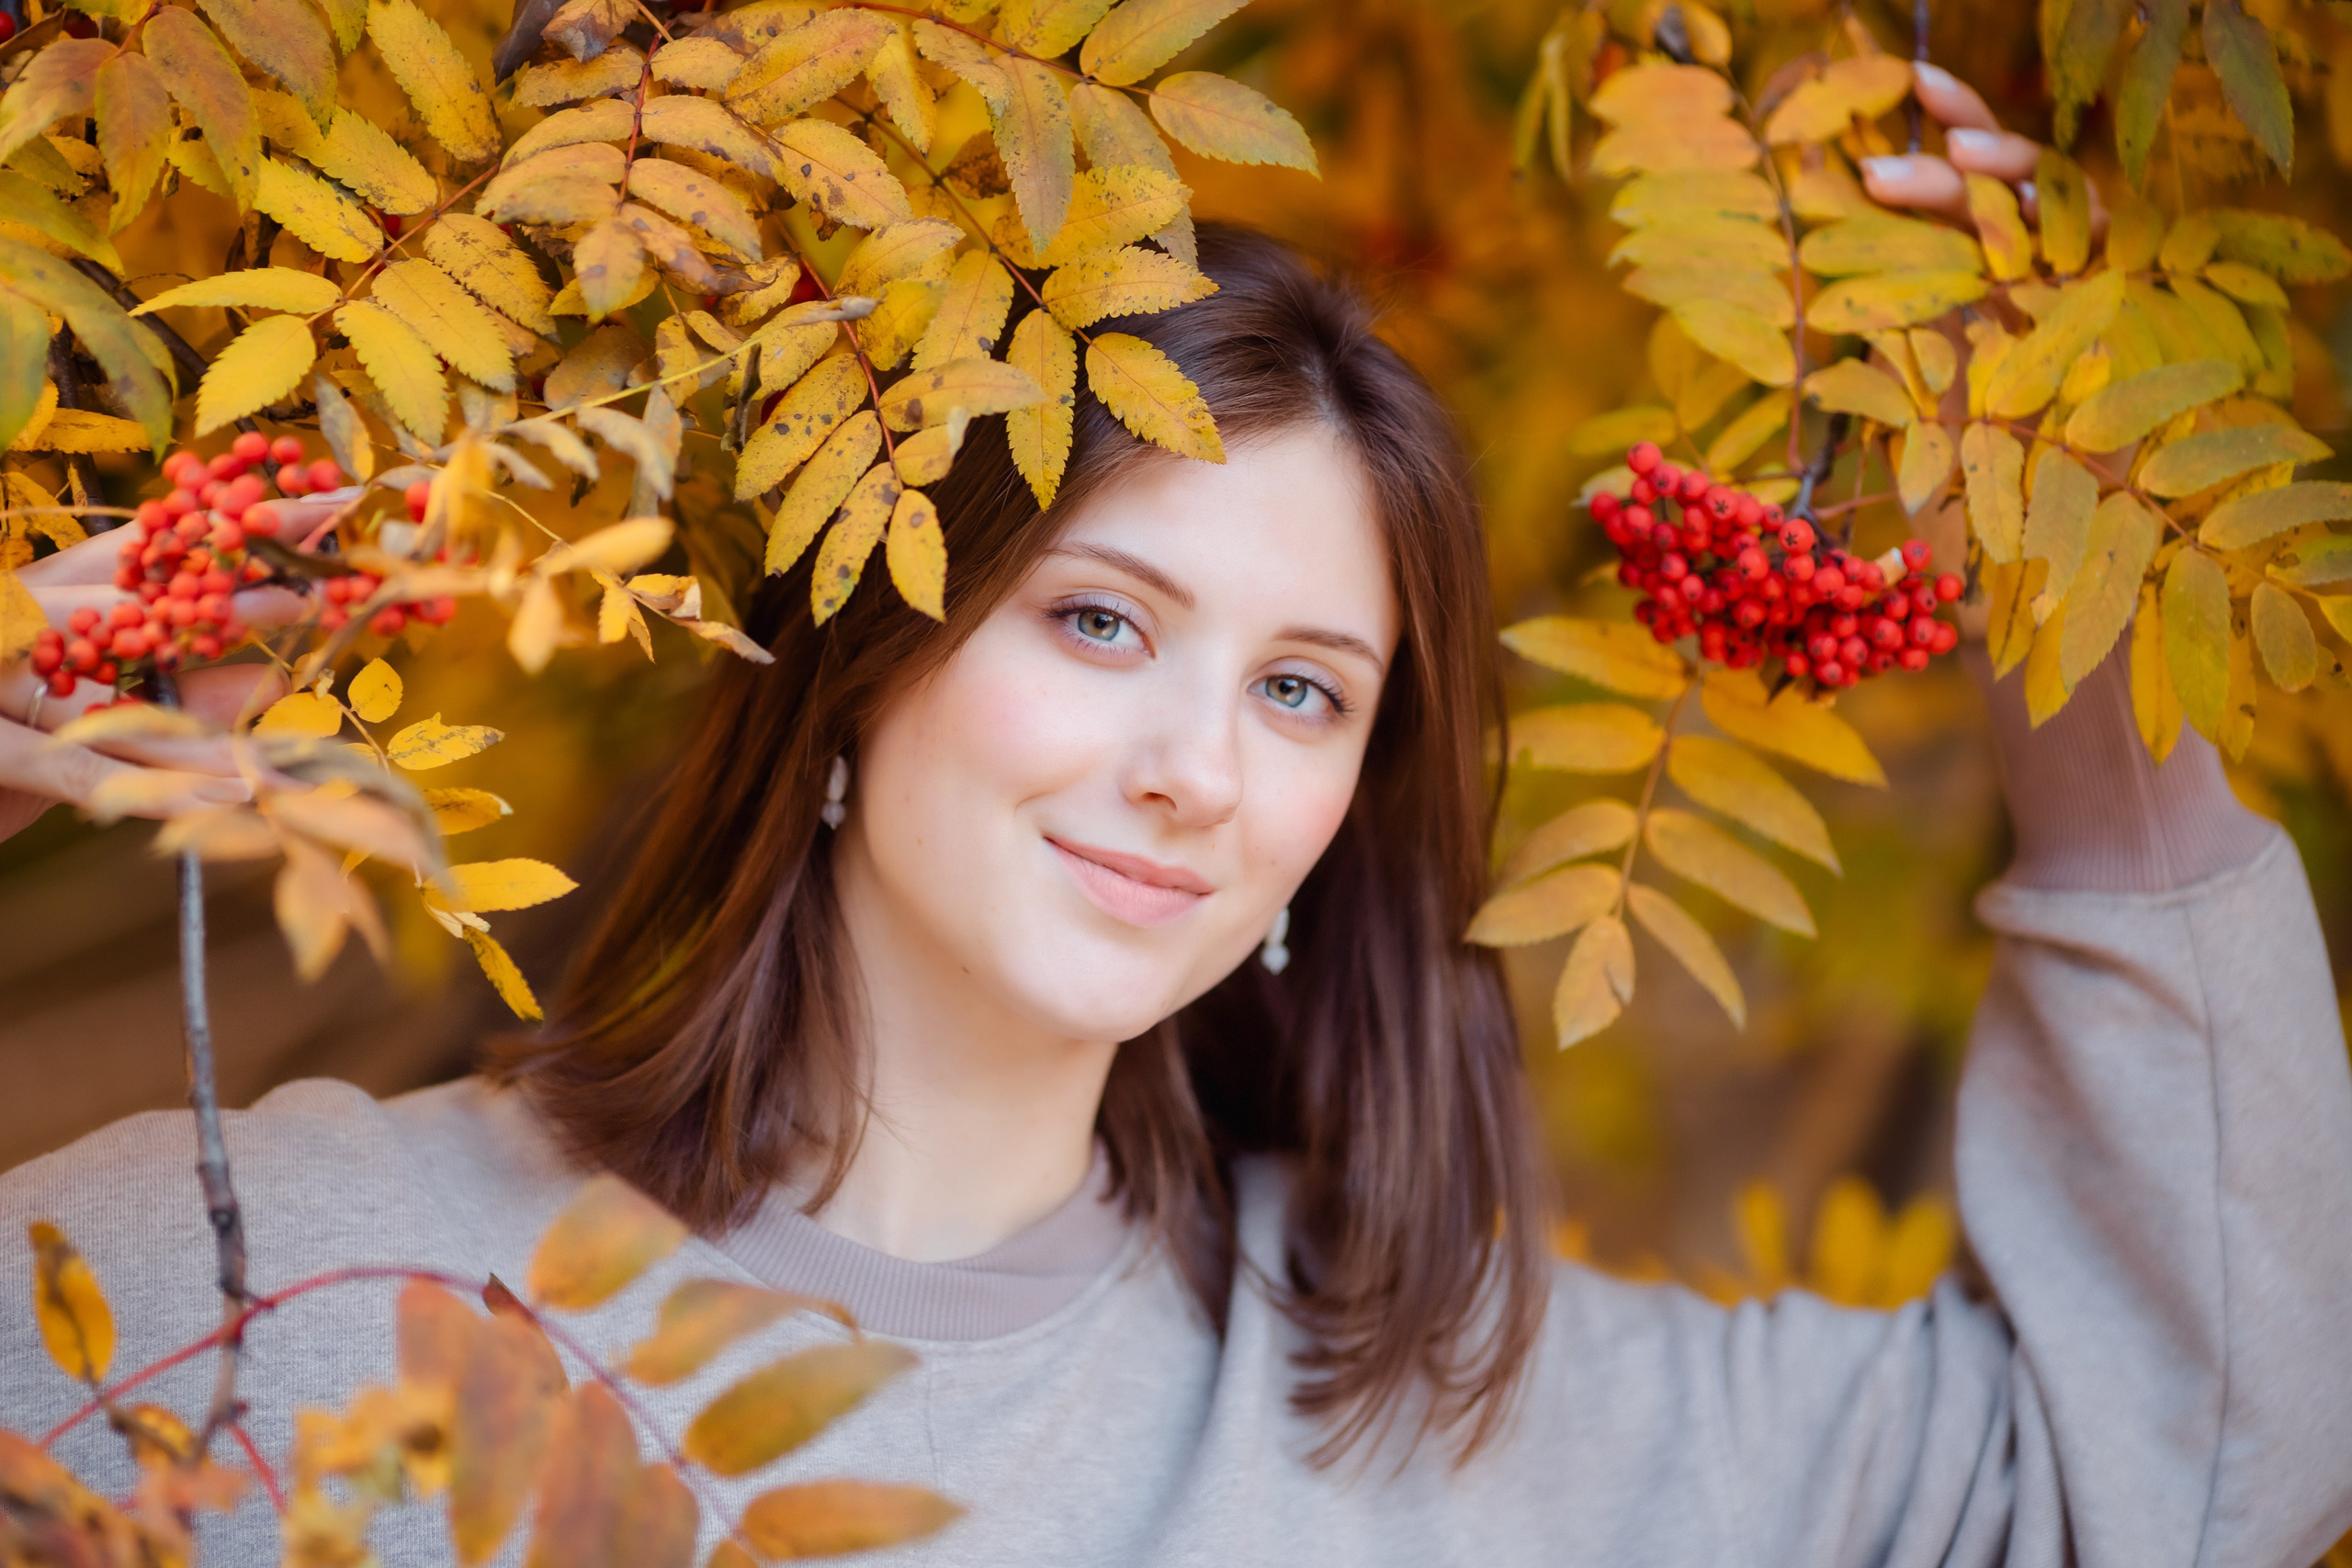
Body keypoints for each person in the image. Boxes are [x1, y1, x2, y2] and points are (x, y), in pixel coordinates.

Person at [5, 73, 2350, 1566]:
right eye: (1102, 622)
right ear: (861, 661)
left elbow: (2207, 1461)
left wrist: (2070, 537)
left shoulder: (1453, 1404)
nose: (1195, 767)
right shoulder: (289, 1263)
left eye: (1303, 688)